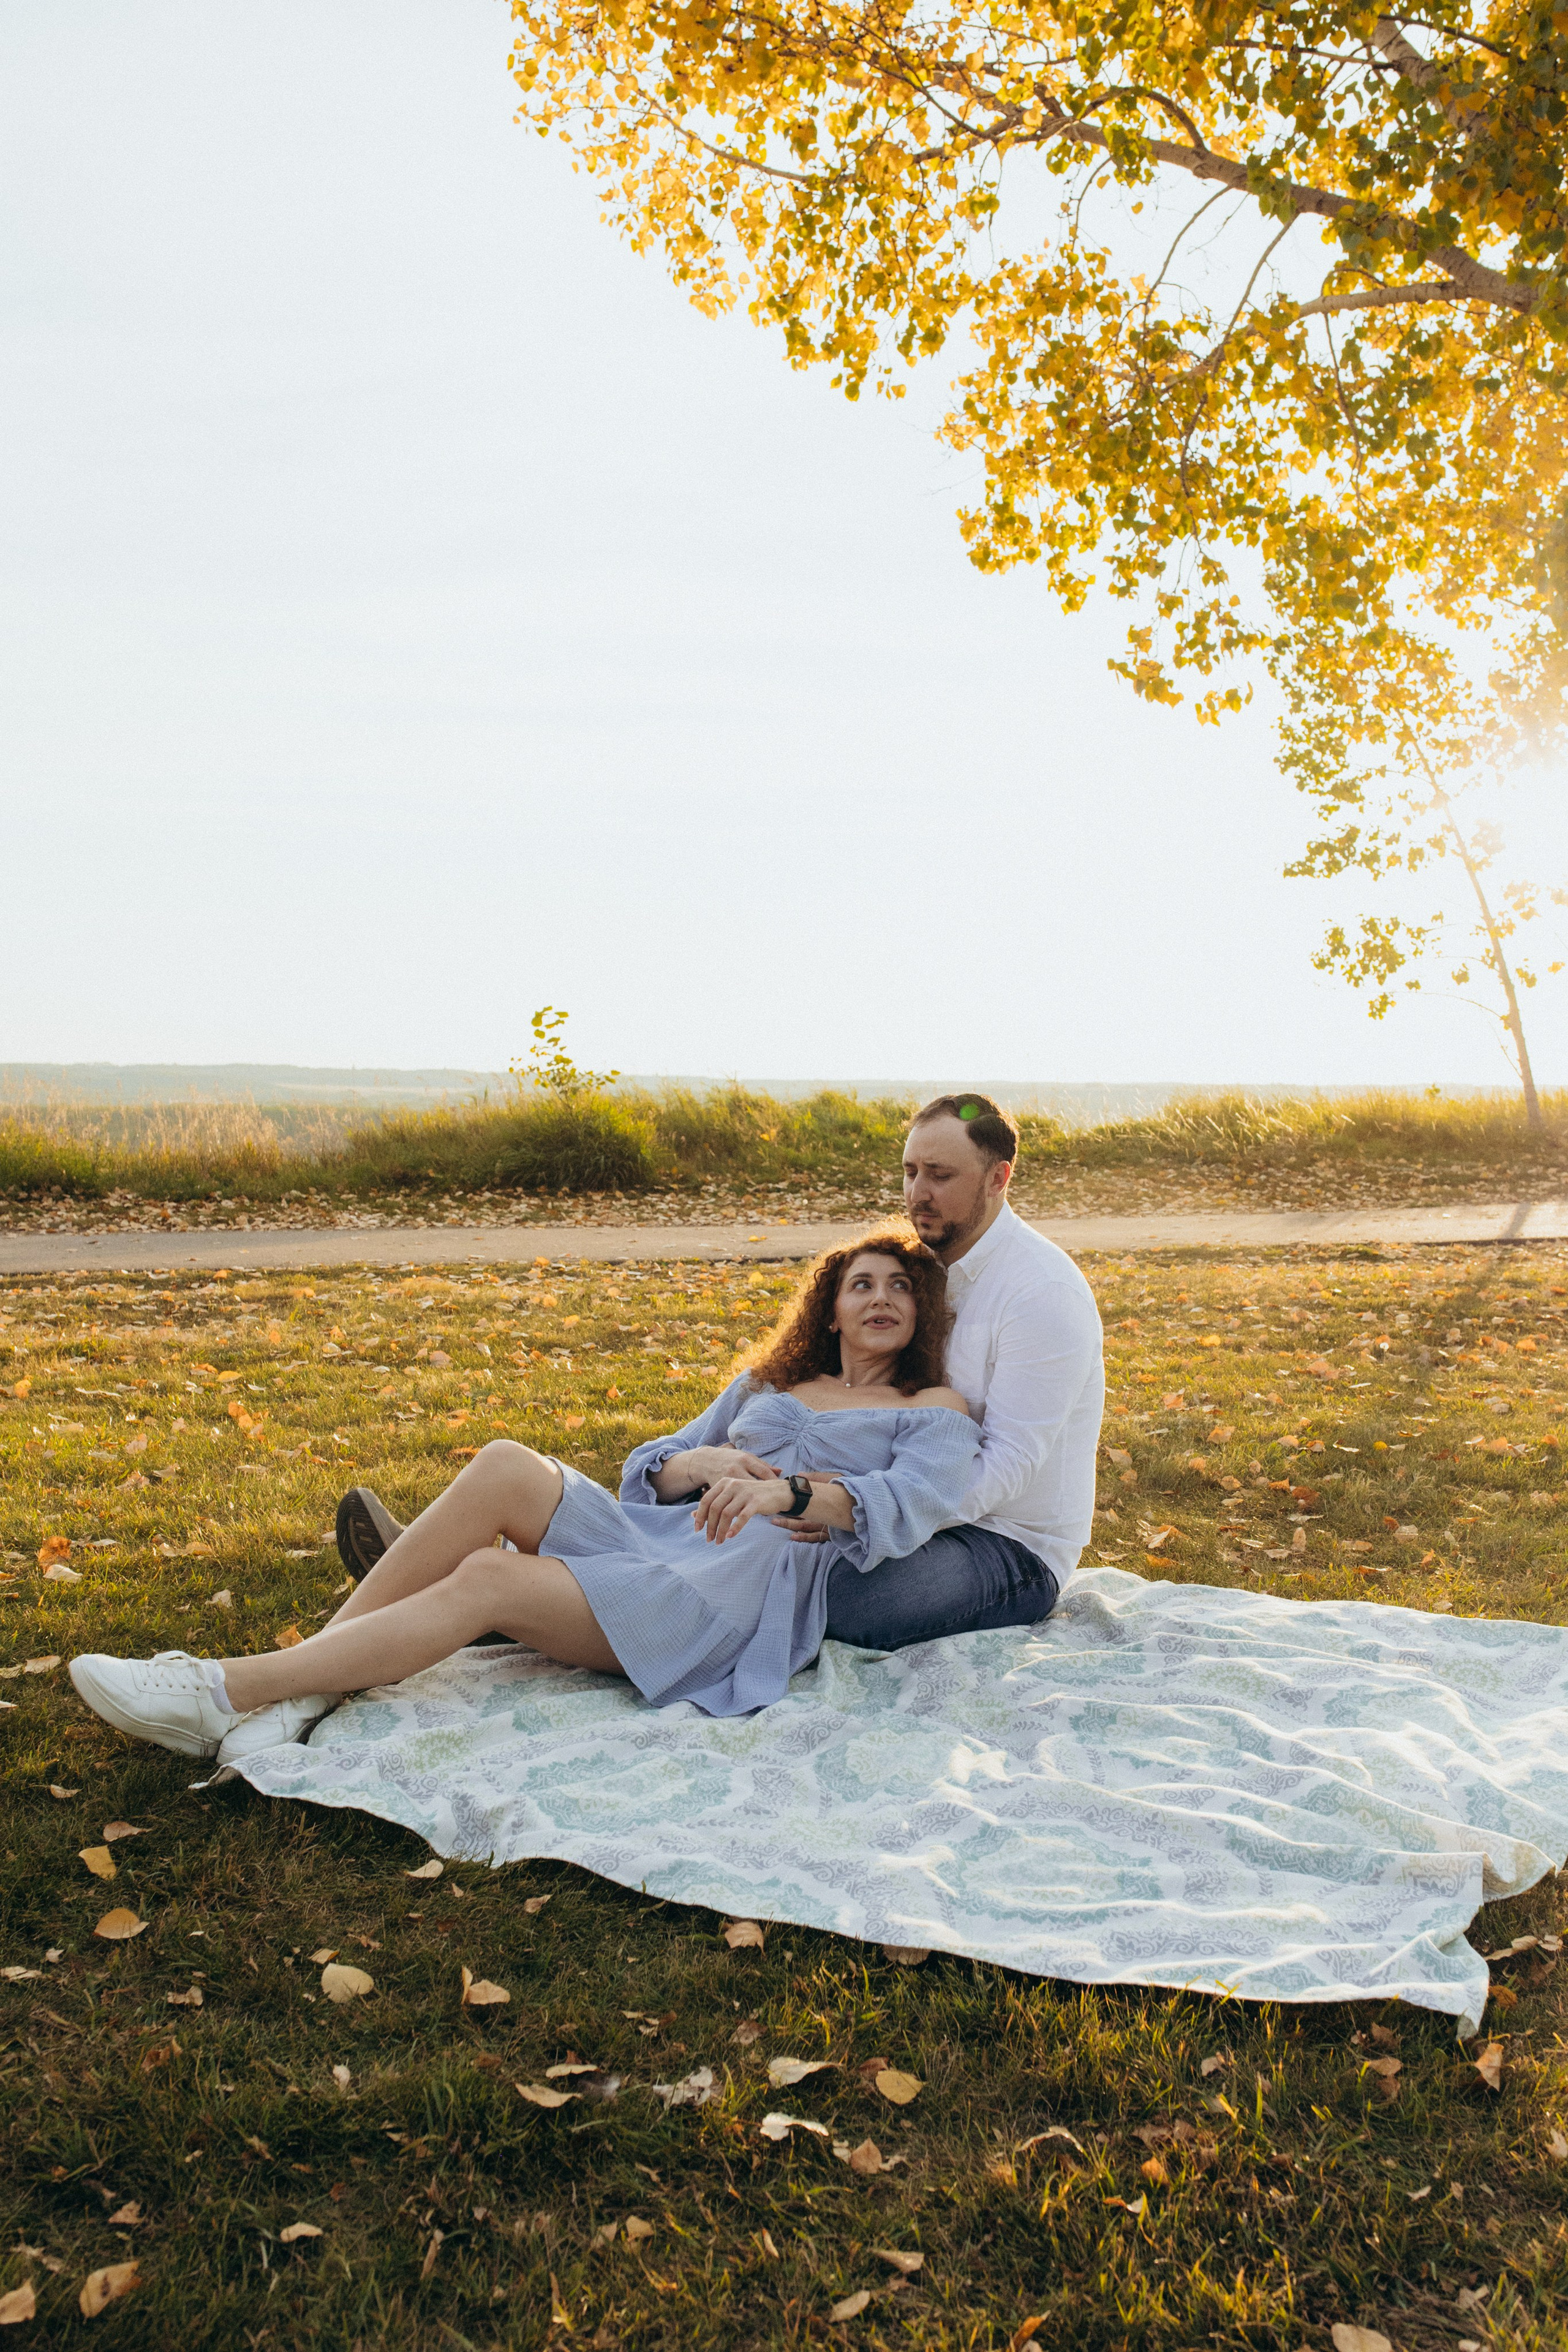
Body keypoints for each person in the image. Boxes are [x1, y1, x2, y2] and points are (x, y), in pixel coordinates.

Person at [67, 1231, 980, 1763]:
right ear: (830, 1308)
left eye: (901, 1287)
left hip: (717, 1602)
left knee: (486, 1580)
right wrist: (698, 1468)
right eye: (861, 1283)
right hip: (654, 1540)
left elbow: (905, 1507)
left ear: (920, 1313)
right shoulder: (765, 1388)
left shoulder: (927, 1409)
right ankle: (305, 1691)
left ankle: (222, 1693)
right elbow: (653, 1467)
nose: (880, 1298)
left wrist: (786, 1489)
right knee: (507, 1461)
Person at [336, 1091, 1105, 1652]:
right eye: (909, 1172)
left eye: (939, 1175)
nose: (916, 1195)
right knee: (754, 1547)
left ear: (999, 1178)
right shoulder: (923, 1268)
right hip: (874, 1495)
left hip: (999, 1546)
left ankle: (501, 1598)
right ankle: (485, 1591)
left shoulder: (1040, 1294)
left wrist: (857, 1508)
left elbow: (1004, 1469)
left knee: (818, 1580)